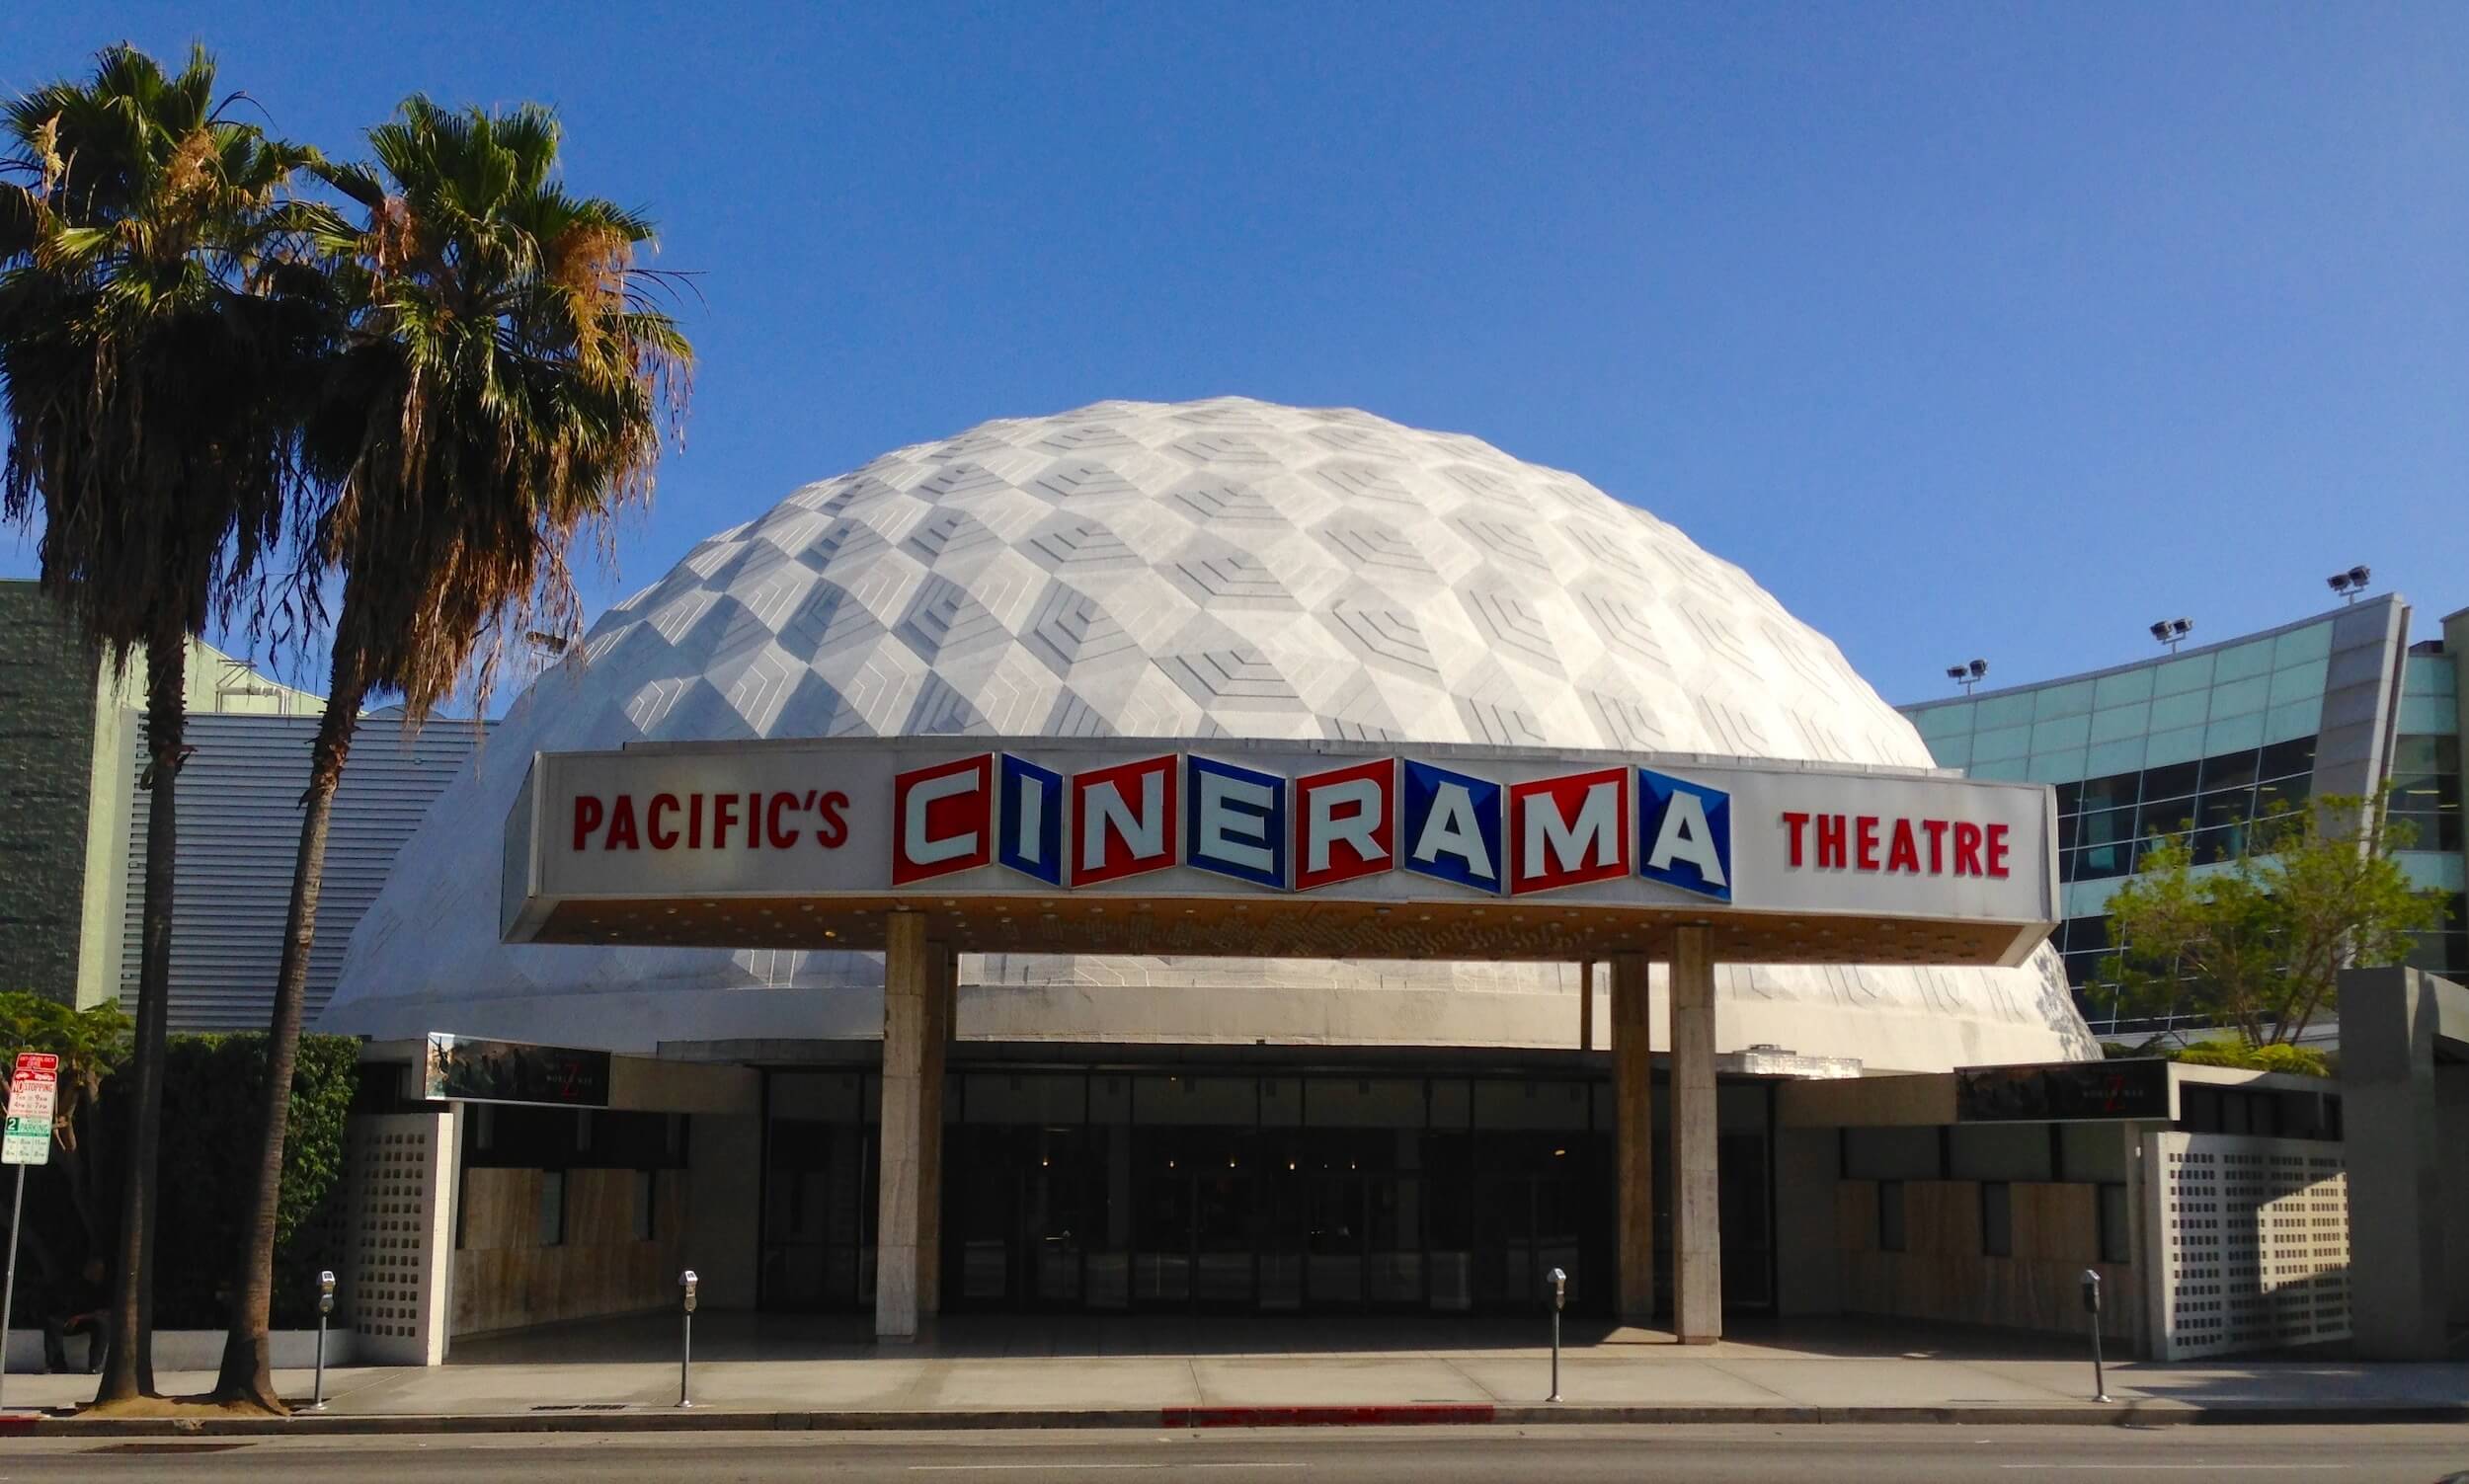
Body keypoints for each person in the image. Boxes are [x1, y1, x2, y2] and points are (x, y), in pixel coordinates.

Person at [40, 1257, 106, 1375]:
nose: (97, 1274)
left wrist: (79, 1318)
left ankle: (95, 1365)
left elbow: (103, 1312)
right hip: (71, 1320)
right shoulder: (77, 1284)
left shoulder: (102, 1289)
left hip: (88, 1320)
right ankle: (56, 1364)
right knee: (52, 1322)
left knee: (101, 1323)